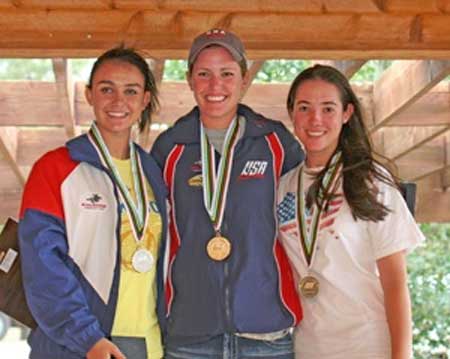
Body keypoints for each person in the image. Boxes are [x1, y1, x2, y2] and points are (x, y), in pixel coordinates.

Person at [151, 28, 304, 358]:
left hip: (266, 334)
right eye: (203, 74)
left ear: (244, 79)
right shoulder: (169, 149)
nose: (215, 85)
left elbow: (309, 223)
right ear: (190, 79)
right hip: (190, 336)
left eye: (227, 73)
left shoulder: (276, 144)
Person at [18, 47, 168, 359]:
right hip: (80, 347)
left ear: (144, 100)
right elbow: (43, 266)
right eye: (106, 89)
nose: (118, 101)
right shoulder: (56, 168)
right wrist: (88, 339)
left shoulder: (152, 171)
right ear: (89, 95)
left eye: (130, 91)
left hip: (149, 344)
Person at [277, 64, 425, 359]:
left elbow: (395, 284)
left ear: (347, 114)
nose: (315, 119)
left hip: (368, 347)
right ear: (292, 114)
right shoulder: (283, 187)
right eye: (304, 107)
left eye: (328, 108)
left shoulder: (373, 182)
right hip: (307, 350)